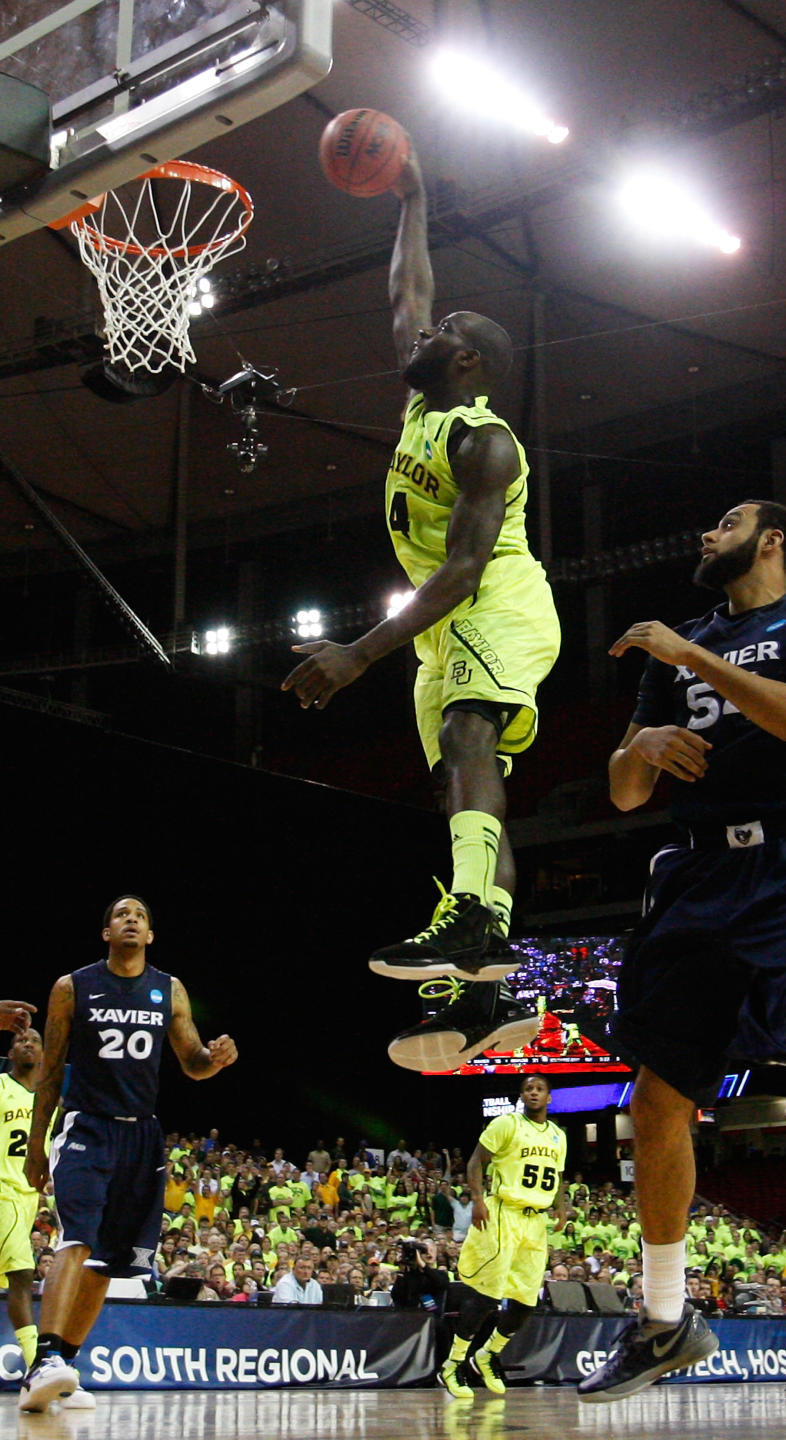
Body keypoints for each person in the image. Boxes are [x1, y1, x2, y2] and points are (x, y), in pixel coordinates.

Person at [578, 501, 786, 1401]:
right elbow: (623, 792)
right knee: (655, 1097)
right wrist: (637, 742)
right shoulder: (679, 640)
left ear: (771, 541)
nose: (701, 532)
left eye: (721, 522)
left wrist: (694, 662)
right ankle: (663, 1318)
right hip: (696, 872)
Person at [282, 141, 560, 1070]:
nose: (419, 334)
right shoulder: (421, 411)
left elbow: (466, 569)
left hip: (497, 601)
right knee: (460, 786)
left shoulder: (487, 444)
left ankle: (473, 928)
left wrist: (359, 652)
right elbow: (408, 288)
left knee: (469, 740)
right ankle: (485, 993)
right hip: (444, 626)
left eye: (439, 335)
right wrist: (411, 198)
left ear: (468, 361)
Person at [20, 895, 238, 1413]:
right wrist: (36, 1145)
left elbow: (193, 1062)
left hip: (141, 1135)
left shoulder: (170, 988)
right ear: (106, 933)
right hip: (86, 1127)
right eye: (121, 915)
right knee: (76, 1238)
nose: (132, 920)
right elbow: (50, 1073)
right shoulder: (72, 987)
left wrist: (217, 1061)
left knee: (108, 1264)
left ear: (151, 935)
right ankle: (44, 1360)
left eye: (140, 916)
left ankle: (65, 1368)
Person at [437, 1075, 566, 1400]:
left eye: (539, 1089)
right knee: (486, 1296)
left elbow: (559, 1177)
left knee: (526, 1301)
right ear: (521, 1096)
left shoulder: (557, 1136)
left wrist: (561, 1209)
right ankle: (452, 1364)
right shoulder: (507, 1123)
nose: (533, 1093)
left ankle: (488, 1354)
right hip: (503, 1213)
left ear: (549, 1097)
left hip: (535, 1221)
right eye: (527, 1089)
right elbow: (475, 1162)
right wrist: (479, 1200)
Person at [0, 1028, 49, 1377]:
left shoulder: (50, 1099)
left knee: (14, 1277)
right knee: (22, 1274)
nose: (27, 1043)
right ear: (10, 1054)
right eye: (20, 1040)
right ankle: (37, 1363)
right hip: (4, 1190)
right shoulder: (1, 1087)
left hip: (30, 1196)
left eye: (34, 1039)